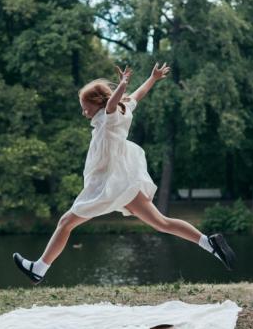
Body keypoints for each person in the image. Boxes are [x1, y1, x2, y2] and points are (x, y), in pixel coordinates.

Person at [13, 63, 236, 284]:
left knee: (65, 222)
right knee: (161, 223)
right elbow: (138, 95)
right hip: (125, 181)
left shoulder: (108, 116)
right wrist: (153, 78)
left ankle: (39, 269)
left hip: (109, 185)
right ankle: (210, 243)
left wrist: (122, 84)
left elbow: (111, 103)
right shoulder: (124, 108)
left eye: (85, 106)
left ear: (98, 102)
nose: (83, 112)